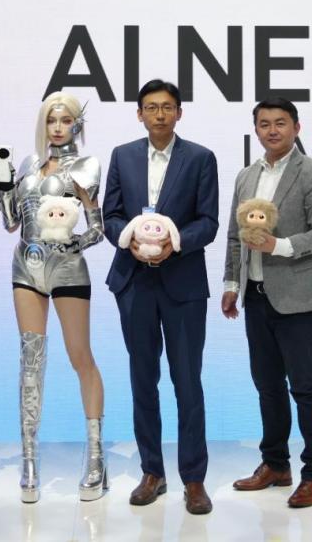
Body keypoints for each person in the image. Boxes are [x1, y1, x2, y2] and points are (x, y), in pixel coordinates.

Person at [103, 79, 218, 515]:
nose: (159, 114)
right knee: (142, 379)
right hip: (134, 282)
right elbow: (111, 215)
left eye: (167, 107)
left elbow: (208, 221)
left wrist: (176, 242)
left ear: (179, 113)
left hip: (183, 283)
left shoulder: (201, 158)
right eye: (151, 107)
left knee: (188, 382)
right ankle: (152, 471)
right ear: (139, 114)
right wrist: (129, 239)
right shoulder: (122, 156)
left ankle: (194, 478)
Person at [0, 91, 107, 503]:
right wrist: (3, 187)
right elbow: (10, 223)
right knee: (30, 360)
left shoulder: (86, 166)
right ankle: (29, 461)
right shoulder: (27, 165)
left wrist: (75, 244)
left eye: (65, 120)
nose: (58, 127)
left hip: (67, 267)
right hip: (26, 265)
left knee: (80, 356)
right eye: (52, 120)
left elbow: (97, 228)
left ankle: (96, 456)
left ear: (77, 124)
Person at [221, 96, 312, 509]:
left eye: (281, 123)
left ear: (296, 128)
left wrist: (279, 245)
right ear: (256, 129)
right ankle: (275, 464)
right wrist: (231, 283)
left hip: (298, 298)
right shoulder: (246, 176)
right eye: (265, 123)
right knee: (267, 386)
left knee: (305, 387)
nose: (272, 130)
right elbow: (235, 236)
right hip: (255, 296)